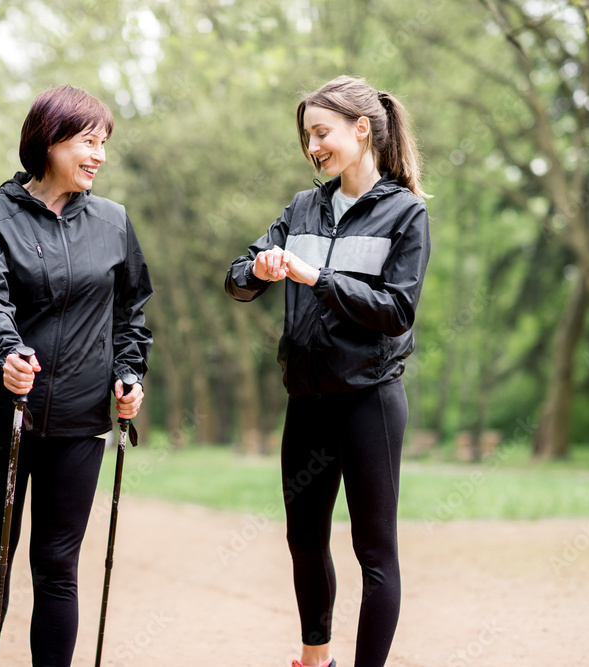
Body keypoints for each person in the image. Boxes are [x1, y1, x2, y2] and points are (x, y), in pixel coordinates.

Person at [225, 75, 431, 667]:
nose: (312, 146)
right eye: (307, 136)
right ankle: (316, 660)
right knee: (304, 540)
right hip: (308, 400)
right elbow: (236, 278)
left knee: (375, 551)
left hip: (370, 401)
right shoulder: (302, 208)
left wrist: (318, 278)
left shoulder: (405, 213)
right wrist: (259, 271)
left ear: (361, 129)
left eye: (322, 132)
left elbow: (397, 311)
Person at [0, 84, 153, 666]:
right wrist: (7, 356)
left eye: (103, 144)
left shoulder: (114, 222)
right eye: (88, 142)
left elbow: (130, 314)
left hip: (77, 419)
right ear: (49, 142)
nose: (99, 156)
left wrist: (128, 373)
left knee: (58, 564)